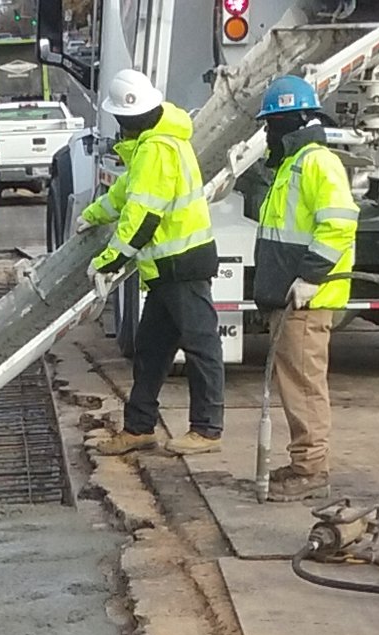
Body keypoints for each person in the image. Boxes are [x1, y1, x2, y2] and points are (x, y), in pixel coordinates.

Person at [81, 69, 223, 458]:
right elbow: (126, 195)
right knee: (151, 349)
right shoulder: (155, 146)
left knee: (200, 346)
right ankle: (139, 427)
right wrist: (93, 214)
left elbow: (142, 217)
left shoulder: (157, 149)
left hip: (181, 266)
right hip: (166, 270)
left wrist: (109, 262)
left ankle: (207, 429)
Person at [249, 74, 359, 503]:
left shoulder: (316, 162)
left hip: (307, 302)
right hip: (291, 299)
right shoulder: (293, 164)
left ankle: (310, 469)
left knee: (305, 386)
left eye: (271, 124)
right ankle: (304, 462)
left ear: (290, 121)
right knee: (296, 384)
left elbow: (339, 222)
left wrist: (311, 277)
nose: (267, 134)